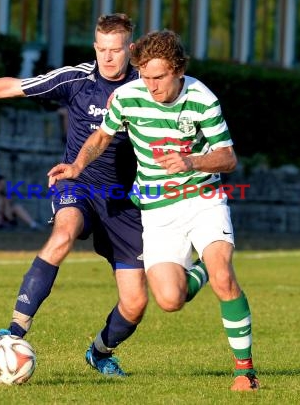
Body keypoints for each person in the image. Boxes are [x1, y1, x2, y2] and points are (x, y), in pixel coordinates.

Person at [0, 14, 208, 378]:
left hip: (124, 201)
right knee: (63, 233)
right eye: (101, 49)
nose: (107, 58)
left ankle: (101, 352)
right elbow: (14, 86)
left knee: (135, 302)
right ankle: (14, 331)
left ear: (130, 50)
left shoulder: (145, 85)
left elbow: (183, 122)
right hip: (78, 181)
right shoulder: (76, 79)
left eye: (115, 51)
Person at [48, 30, 259, 391]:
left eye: (158, 77)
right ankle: (203, 269)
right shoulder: (128, 96)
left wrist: (191, 161)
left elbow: (228, 158)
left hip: (203, 200)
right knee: (170, 300)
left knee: (224, 277)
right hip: (159, 211)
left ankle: (245, 372)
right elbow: (101, 136)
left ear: (178, 70)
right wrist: (77, 166)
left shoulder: (202, 98)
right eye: (144, 76)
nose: (150, 85)